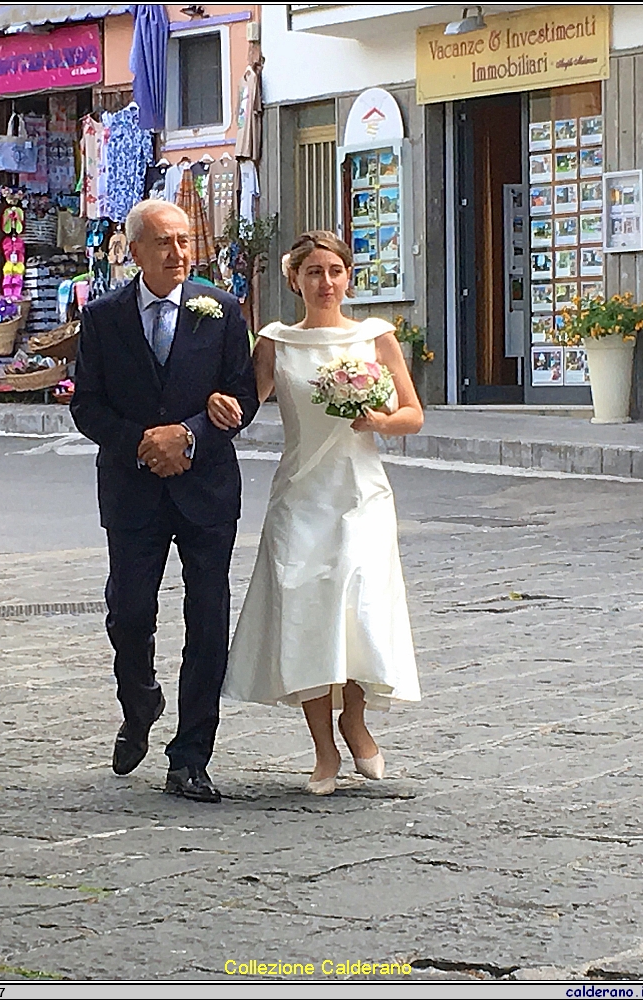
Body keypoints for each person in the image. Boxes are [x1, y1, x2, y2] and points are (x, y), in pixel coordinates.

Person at [208, 231, 423, 795]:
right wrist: (214, 406)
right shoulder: (276, 342)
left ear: (348, 276)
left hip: (359, 492)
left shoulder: (376, 338)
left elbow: (412, 415)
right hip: (300, 494)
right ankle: (322, 749)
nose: (325, 282)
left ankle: (354, 718)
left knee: (354, 605)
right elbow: (248, 404)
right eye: (313, 273)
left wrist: (377, 420)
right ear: (295, 280)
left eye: (334, 271)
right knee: (305, 608)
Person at [70, 200, 259, 803]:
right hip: (132, 489)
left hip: (205, 490)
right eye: (163, 244)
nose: (179, 254)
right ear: (134, 252)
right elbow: (87, 406)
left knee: (207, 621)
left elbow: (242, 397)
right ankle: (140, 699)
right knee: (129, 612)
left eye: (184, 242)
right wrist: (144, 442)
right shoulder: (103, 318)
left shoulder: (222, 311)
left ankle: (191, 755)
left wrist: (193, 434)